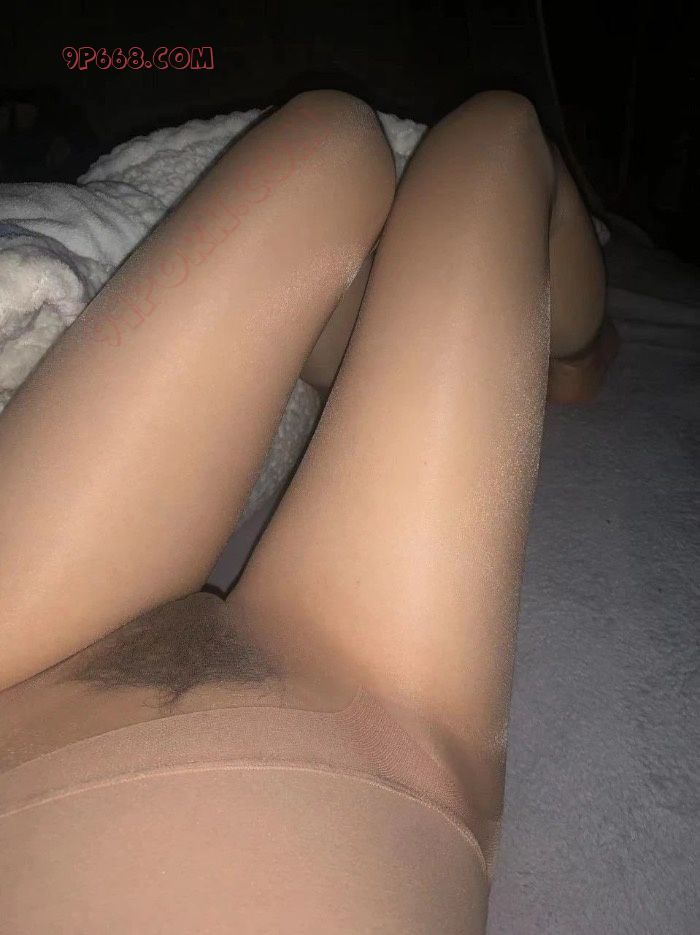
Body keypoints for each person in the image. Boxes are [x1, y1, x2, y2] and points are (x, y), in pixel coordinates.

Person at [0, 88, 618, 933]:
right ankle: (571, 345)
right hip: (382, 731)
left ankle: (353, 332)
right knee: (494, 137)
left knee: (327, 139)